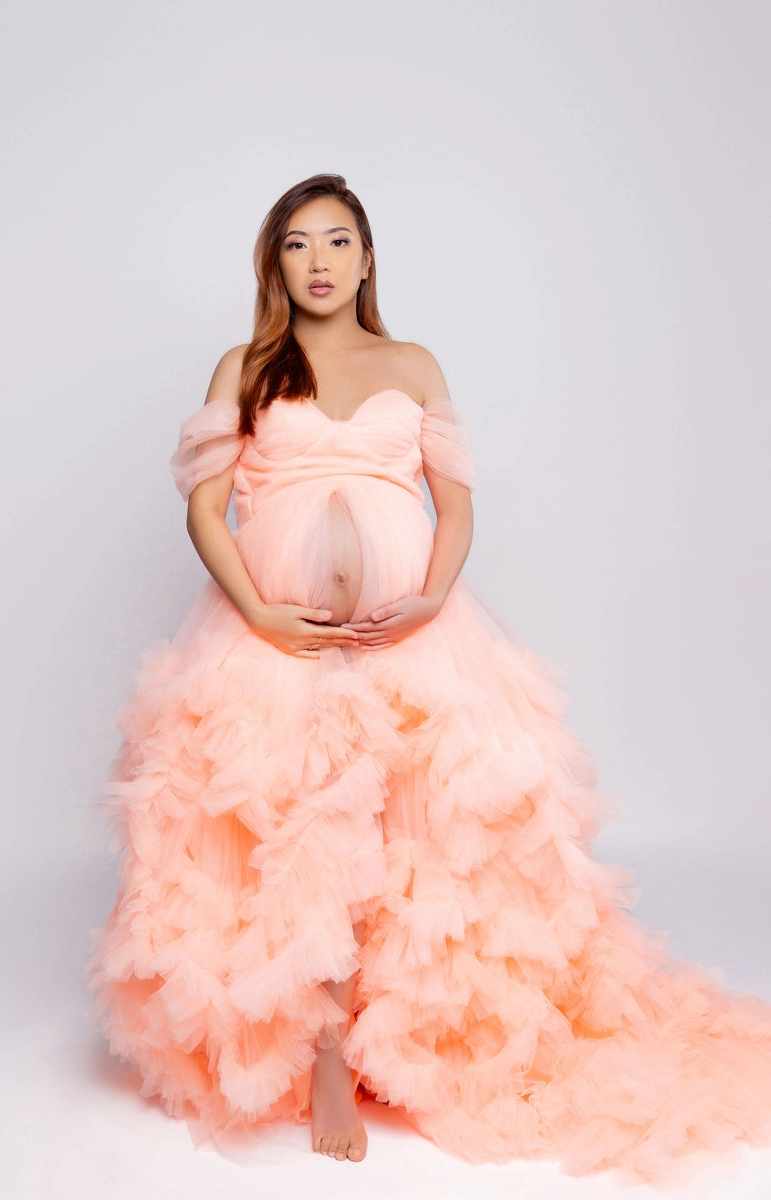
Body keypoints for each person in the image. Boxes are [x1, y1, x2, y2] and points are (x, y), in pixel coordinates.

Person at [85, 173, 771, 1182]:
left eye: (337, 242)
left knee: (407, 844)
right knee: (298, 835)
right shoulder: (248, 365)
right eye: (296, 245)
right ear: (274, 265)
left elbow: (452, 510)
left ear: (366, 259)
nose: (318, 262)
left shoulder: (412, 362)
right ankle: (321, 1052)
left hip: (408, 636)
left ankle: (392, 1042)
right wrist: (261, 611)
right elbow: (206, 509)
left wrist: (428, 597)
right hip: (275, 638)